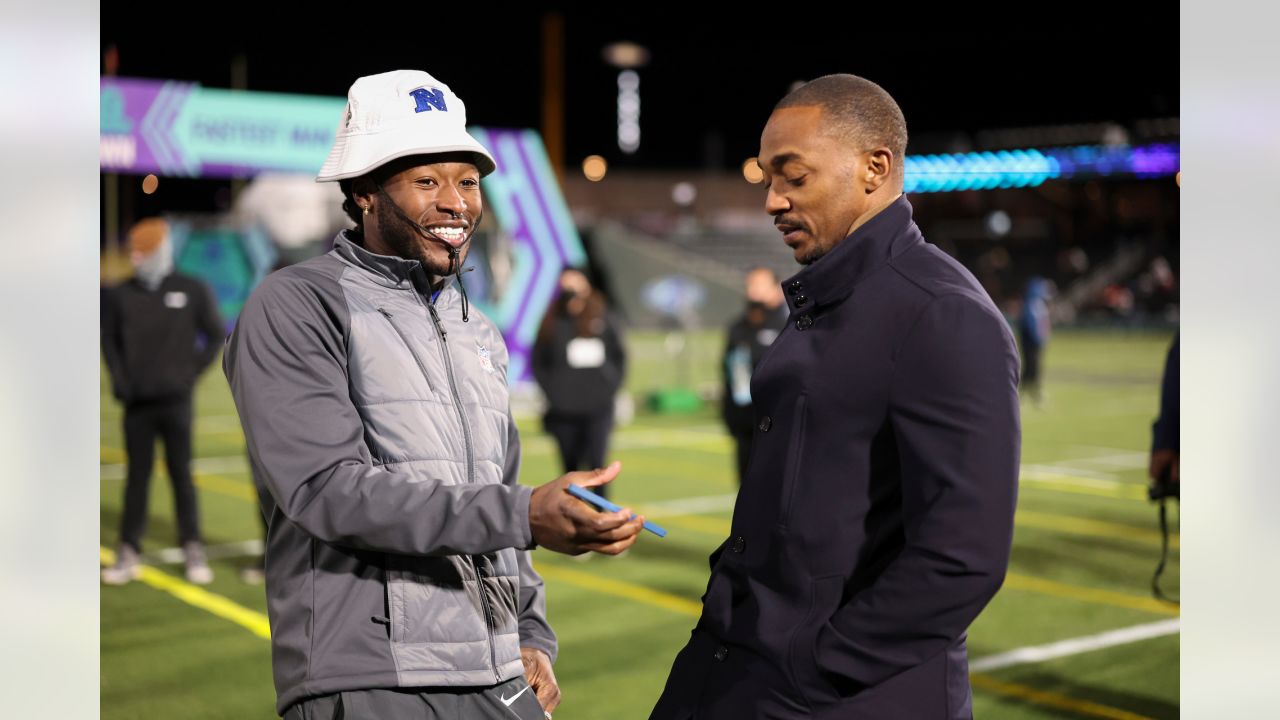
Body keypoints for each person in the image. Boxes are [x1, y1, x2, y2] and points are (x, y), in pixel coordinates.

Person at [223, 70, 645, 720]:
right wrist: (525, 515)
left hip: (496, 666)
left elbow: (497, 483)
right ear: (364, 190)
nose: (457, 202)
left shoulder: (474, 325)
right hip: (369, 675)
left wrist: (528, 632)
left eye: (468, 181)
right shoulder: (297, 303)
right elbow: (327, 489)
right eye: (427, 181)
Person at [650, 74, 1021, 719]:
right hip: (736, 662)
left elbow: (963, 557)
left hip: (832, 694)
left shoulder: (940, 312)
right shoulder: (826, 296)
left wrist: (819, 666)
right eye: (767, 178)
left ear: (875, 168)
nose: (772, 200)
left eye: (793, 177)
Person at [101, 217, 223, 586]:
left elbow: (215, 334)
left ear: (160, 251)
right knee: (135, 479)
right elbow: (110, 343)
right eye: (133, 252)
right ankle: (128, 551)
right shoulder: (119, 293)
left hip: (176, 403)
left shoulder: (191, 288)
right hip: (136, 406)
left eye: (143, 252)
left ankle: (193, 548)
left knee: (181, 476)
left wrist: (188, 375)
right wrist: (121, 383)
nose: (136, 259)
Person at [531, 267, 627, 499]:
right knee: (571, 472)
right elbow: (538, 360)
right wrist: (554, 392)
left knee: (598, 467)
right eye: (566, 288)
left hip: (598, 408)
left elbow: (619, 356)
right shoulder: (551, 320)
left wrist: (609, 388)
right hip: (564, 411)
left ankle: (601, 519)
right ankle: (574, 524)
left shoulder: (603, 316)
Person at [721, 267, 788, 484]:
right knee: (747, 489)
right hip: (745, 425)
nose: (753, 292)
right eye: (750, 285)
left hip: (780, 426)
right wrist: (730, 416)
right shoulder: (738, 327)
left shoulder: (791, 323)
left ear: (776, 289)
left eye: (759, 285)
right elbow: (728, 372)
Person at [1018, 275, 1052, 405]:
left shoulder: (1037, 305)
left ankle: (1033, 393)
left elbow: (1043, 324)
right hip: (1031, 344)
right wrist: (1039, 339)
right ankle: (1026, 393)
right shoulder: (1031, 305)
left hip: (1037, 343)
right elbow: (1029, 325)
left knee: (1035, 368)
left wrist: (1044, 338)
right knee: (1030, 368)